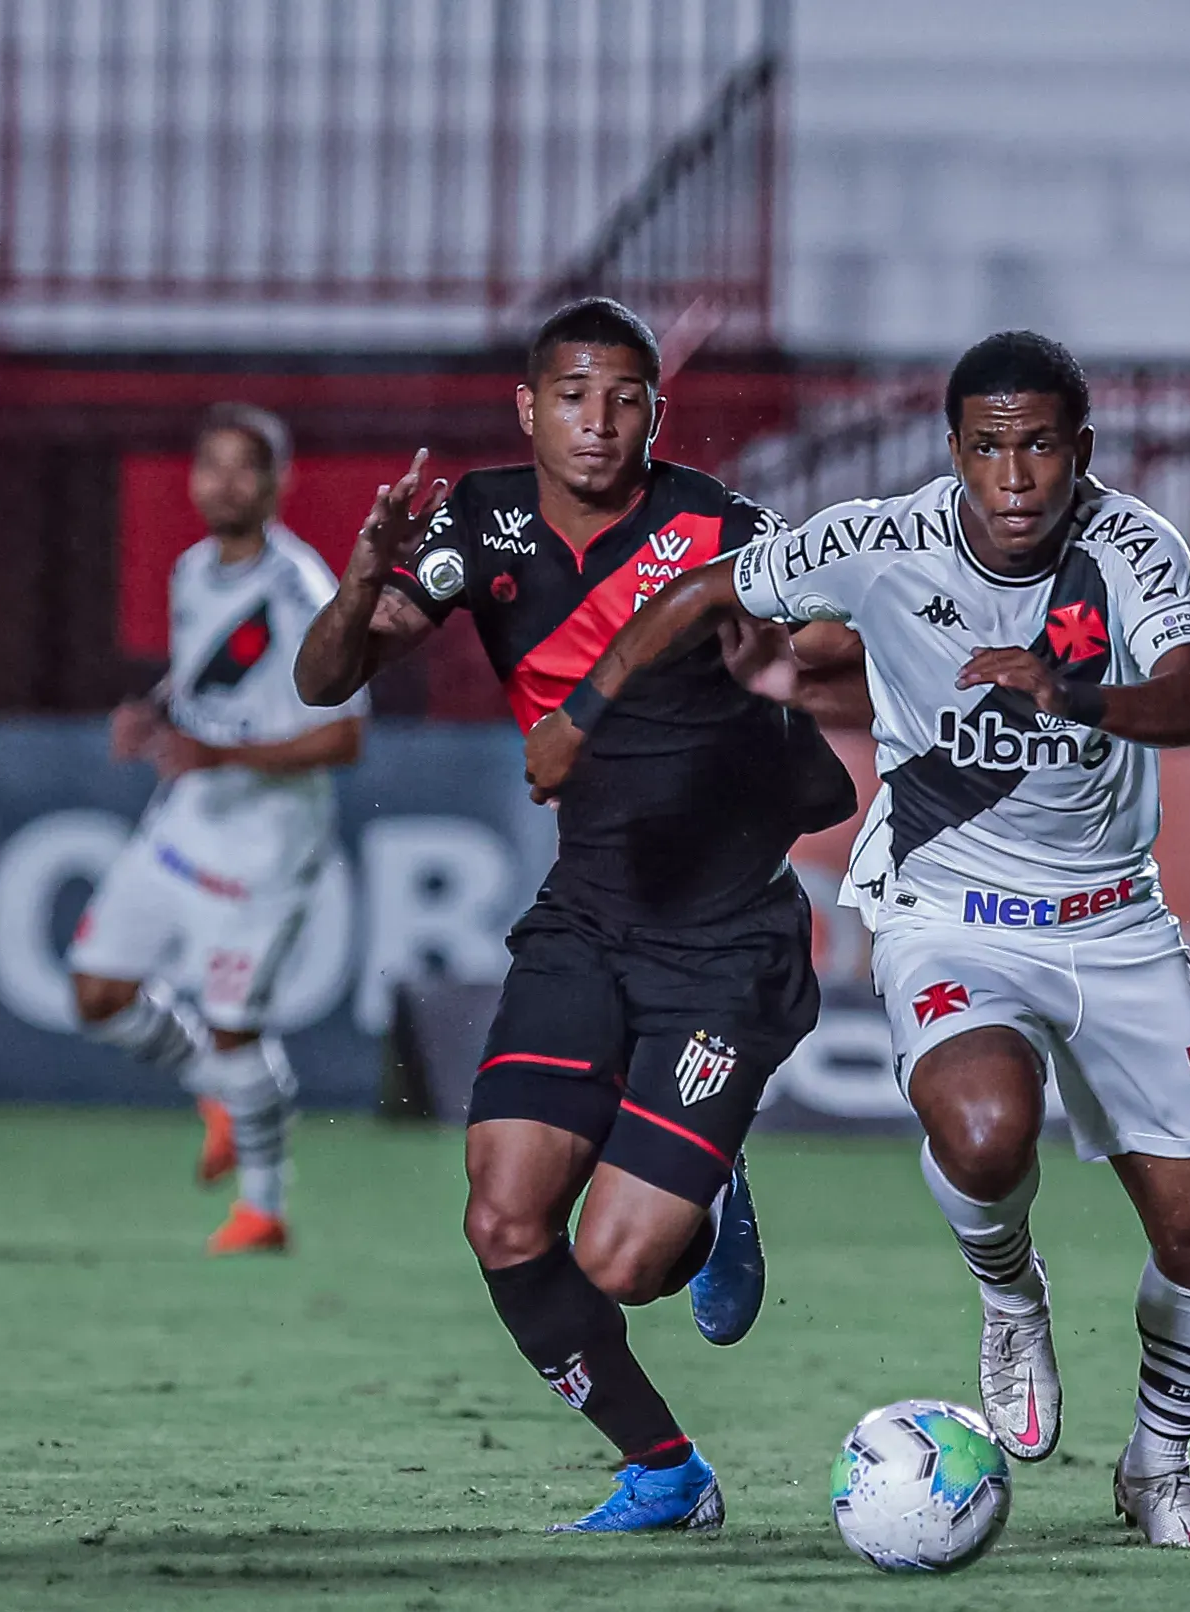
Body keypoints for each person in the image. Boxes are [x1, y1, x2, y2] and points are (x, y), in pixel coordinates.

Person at [526, 331, 1190, 1549]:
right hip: (948, 906)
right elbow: (702, 593)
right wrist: (581, 714)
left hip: (1114, 914)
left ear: (1081, 449)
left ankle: (1157, 1465)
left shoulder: (1132, 544)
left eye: (1040, 447)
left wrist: (1070, 691)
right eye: (989, 448)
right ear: (954, 450)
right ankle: (1009, 1292)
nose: (1014, 477)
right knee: (986, 1130)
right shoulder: (880, 538)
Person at [292, 298, 863, 1535]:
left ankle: (706, 1190)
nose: (597, 423)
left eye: (624, 400)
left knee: (624, 1262)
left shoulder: (722, 526)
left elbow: (840, 649)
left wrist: (792, 661)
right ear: (527, 409)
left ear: (656, 412)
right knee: (502, 1215)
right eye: (571, 397)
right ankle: (666, 1472)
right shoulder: (481, 521)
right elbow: (325, 676)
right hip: (588, 920)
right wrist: (363, 573)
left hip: (727, 943)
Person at [70, 405, 366, 1256]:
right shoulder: (193, 570)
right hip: (187, 820)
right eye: (213, 466)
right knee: (97, 994)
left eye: (247, 468)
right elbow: (203, 672)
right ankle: (228, 1098)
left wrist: (219, 754)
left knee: (235, 1025)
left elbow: (345, 738)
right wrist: (151, 711)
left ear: (280, 482)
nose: (226, 484)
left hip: (268, 845)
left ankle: (263, 1210)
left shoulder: (304, 594)